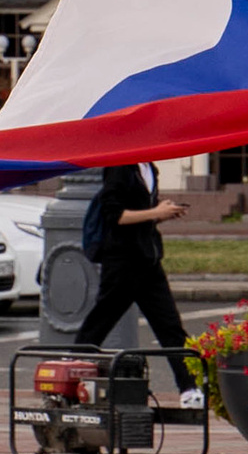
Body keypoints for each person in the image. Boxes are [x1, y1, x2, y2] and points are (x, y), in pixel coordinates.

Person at [78, 161, 203, 399]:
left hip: (148, 260)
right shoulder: (119, 167)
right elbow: (115, 215)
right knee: (99, 322)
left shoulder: (149, 168)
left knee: (170, 327)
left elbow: (140, 215)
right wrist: (156, 212)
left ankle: (190, 390)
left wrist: (163, 214)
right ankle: (70, 373)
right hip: (122, 263)